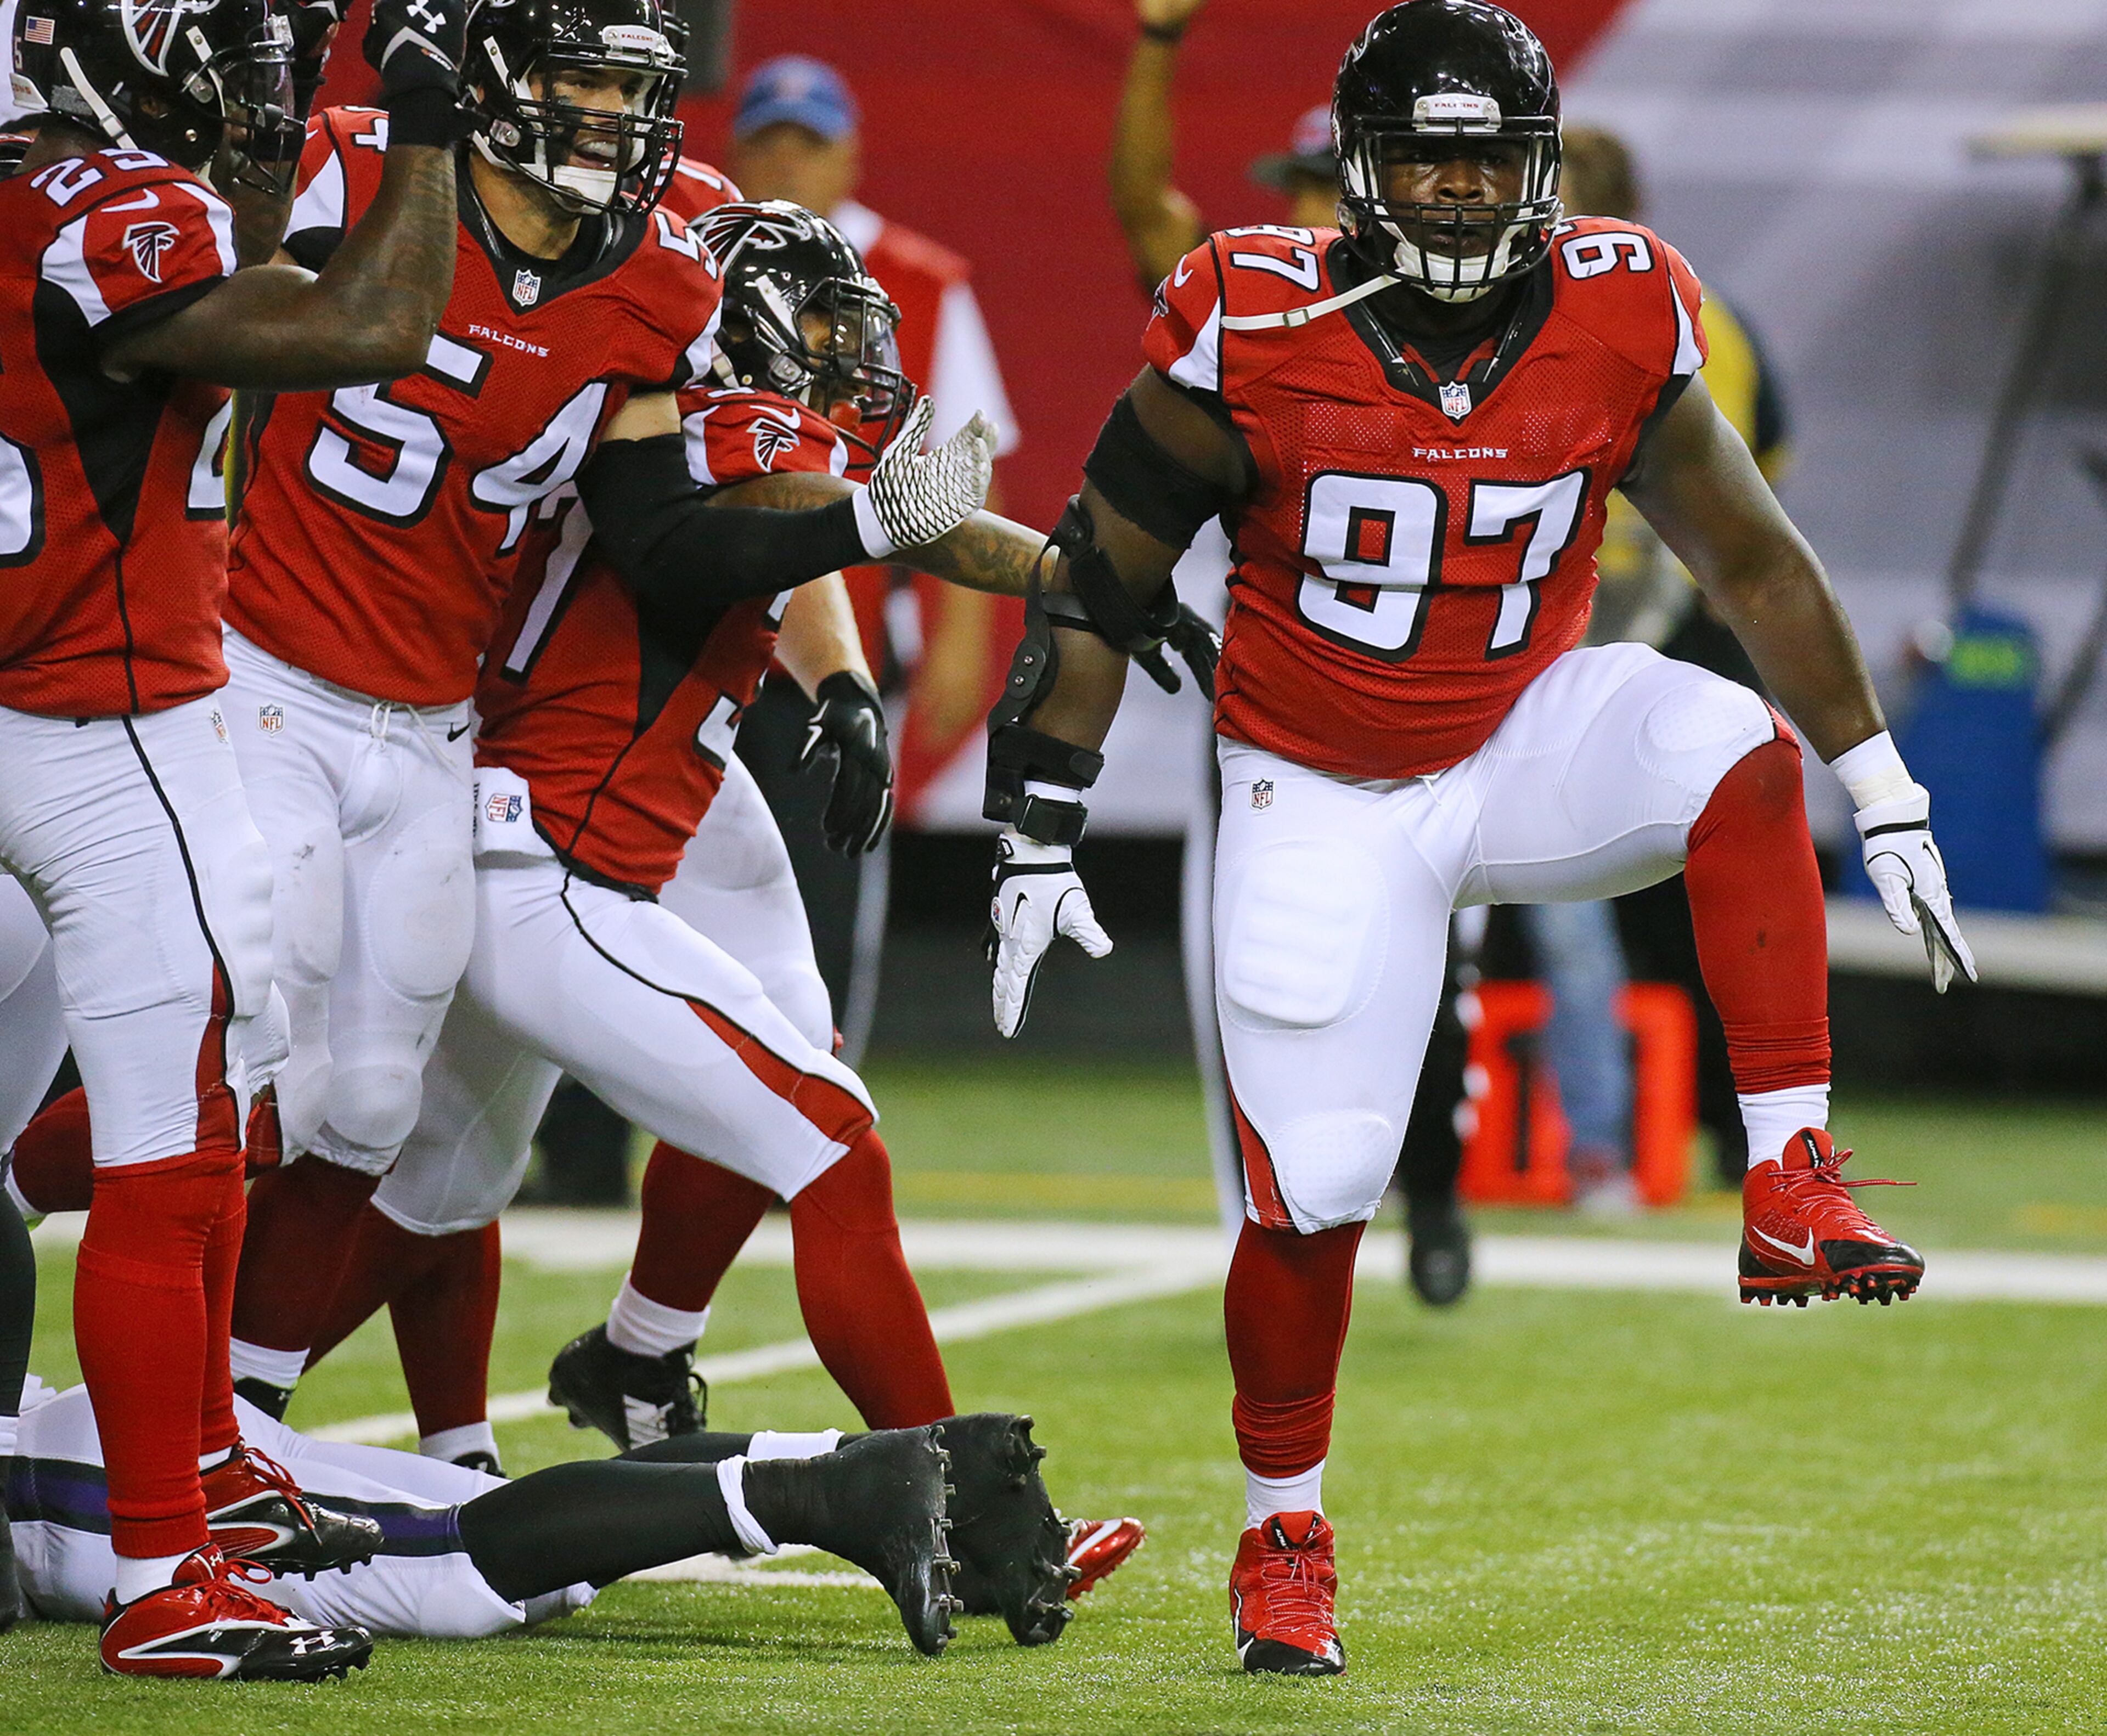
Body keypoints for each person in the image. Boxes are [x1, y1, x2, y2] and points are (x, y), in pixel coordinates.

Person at [978, 0, 1974, 1677]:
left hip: (1521, 732)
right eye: (1425, 159)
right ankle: (1283, 1533)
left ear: (1544, 168)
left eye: (1488, 158)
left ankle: (1790, 1174)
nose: (1456, 191)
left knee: (1735, 747)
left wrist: (1881, 784)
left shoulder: (1620, 305)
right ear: (1360, 171)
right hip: (1320, 783)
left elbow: (1755, 563)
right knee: (1316, 1189)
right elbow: (1097, 575)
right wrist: (1038, 823)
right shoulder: (1252, 317)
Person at [276, 199, 1142, 1641]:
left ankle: (204, 1419)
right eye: (822, 328)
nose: (846, 357)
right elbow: (832, 515)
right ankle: (976, 1516)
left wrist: (860, 666)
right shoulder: (703, 425)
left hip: (558, 839)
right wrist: (1063, 571)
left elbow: (811, 533)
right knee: (830, 1140)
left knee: (428, 1193)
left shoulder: (695, 434)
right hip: (545, 864)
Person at [211, 0, 994, 1427]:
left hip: (463, 731)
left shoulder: (669, 246)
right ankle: (195, 1406)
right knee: (280, 1089)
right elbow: (740, 521)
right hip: (376, 704)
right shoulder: (360, 163)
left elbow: (755, 513)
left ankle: (552, 1382)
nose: (614, 119)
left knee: (406, 1121)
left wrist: (844, 671)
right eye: (583, 82)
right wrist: (1040, 565)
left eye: (636, 90)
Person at [0, 0, 497, 1676]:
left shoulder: (60, 203)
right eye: (221, 57)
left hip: (51, 691)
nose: (254, 91)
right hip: (97, 717)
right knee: (178, 1138)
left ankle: (204, 1458)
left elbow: (238, 273)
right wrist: (421, 114)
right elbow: (375, 323)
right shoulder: (111, 214)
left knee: (185, 1103)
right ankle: (162, 1571)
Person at [1106, 0, 1473, 1300]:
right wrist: (1158, 43)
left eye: (1331, 182)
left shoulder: (1476, 314)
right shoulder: (1254, 320)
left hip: (1446, 699)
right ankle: (1265, 1226)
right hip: (1276, 703)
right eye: (1303, 186)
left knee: (1433, 974)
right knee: (1256, 975)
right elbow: (1144, 211)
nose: (1310, 210)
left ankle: (1436, 1190)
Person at [10, 1376, 1071, 1659]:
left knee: (443, 1568)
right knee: (500, 1524)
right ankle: (862, 1466)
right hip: (80, 1435)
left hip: (47, 1485)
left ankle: (841, 1492)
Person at [727, 54, 1022, 1062]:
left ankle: (808, 1093)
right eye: (769, 142)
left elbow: (967, 474)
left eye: (808, 144)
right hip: (682, 622)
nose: (788, 164)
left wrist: (963, 642)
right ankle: (588, 1135)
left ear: (849, 155)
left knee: (820, 899)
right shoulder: (693, 252)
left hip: (835, 647)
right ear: (737, 151)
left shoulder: (918, 280)